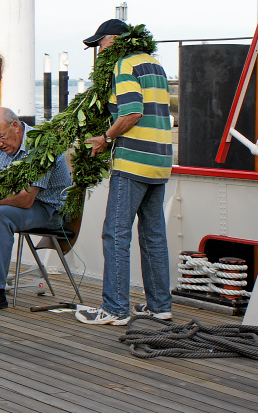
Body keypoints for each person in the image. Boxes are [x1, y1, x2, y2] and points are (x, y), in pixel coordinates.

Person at [75, 19, 173, 326]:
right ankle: (160, 306)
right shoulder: (154, 64)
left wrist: (105, 138)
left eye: (101, 44)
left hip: (133, 162)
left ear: (116, 40)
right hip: (160, 160)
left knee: (115, 234)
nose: (99, 50)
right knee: (153, 235)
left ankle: (115, 308)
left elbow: (132, 111)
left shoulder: (125, 65)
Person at [0, 107, 72, 311]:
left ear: (16, 126)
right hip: (29, 205)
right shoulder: (5, 143)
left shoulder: (41, 145)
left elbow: (26, 199)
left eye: (1, 137)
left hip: (51, 211)